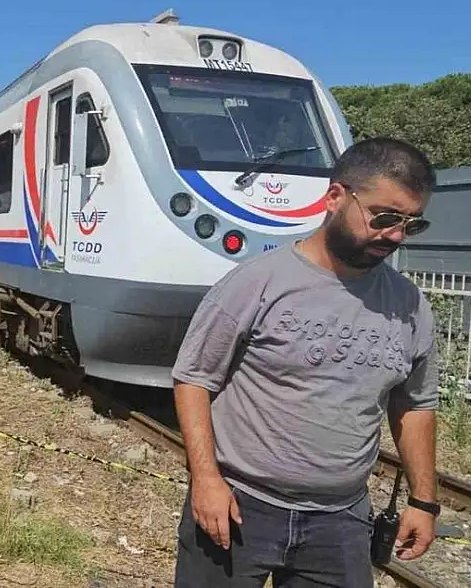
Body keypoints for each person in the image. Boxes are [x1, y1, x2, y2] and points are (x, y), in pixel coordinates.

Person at [171, 137, 440, 588]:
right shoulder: (257, 283)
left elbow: (414, 405)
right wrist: (205, 479)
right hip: (239, 506)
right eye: (385, 217)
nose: (394, 235)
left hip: (341, 523)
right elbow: (194, 379)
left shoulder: (409, 305)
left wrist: (424, 501)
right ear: (335, 197)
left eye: (410, 224)